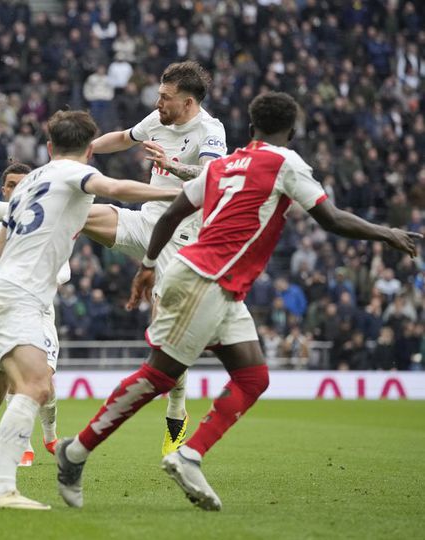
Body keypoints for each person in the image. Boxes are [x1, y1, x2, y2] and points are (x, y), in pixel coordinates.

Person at [55, 92, 420, 511]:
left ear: (249, 129)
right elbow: (331, 218)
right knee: (160, 375)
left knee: (253, 378)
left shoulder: (222, 167)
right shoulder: (286, 163)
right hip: (204, 279)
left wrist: (149, 264)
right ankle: (76, 451)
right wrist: (387, 233)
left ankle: (188, 455)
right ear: (292, 134)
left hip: (219, 285)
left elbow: (172, 213)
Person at [0, 110, 180, 510]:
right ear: (88, 151)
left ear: (49, 148)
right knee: (37, 387)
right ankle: (3, 489)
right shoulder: (73, 174)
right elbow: (116, 187)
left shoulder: (31, 181)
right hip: (22, 296)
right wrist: (181, 193)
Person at [0, 61, 227, 456]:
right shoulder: (157, 118)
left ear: (187, 101)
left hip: (181, 240)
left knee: (164, 343)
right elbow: (123, 138)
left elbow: (212, 179)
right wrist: (83, 150)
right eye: (159, 95)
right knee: (74, 209)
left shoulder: (210, 131)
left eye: (165, 98)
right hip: (145, 221)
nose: (157, 102)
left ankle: (177, 414)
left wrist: (172, 165)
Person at [0, 162, 63, 466]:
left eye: (23, 183)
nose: (17, 189)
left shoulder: (48, 222)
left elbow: (66, 271)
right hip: (6, 312)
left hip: (40, 311)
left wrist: (31, 279)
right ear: (3, 188)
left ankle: (50, 432)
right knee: (14, 378)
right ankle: (23, 443)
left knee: (45, 383)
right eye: (11, 184)